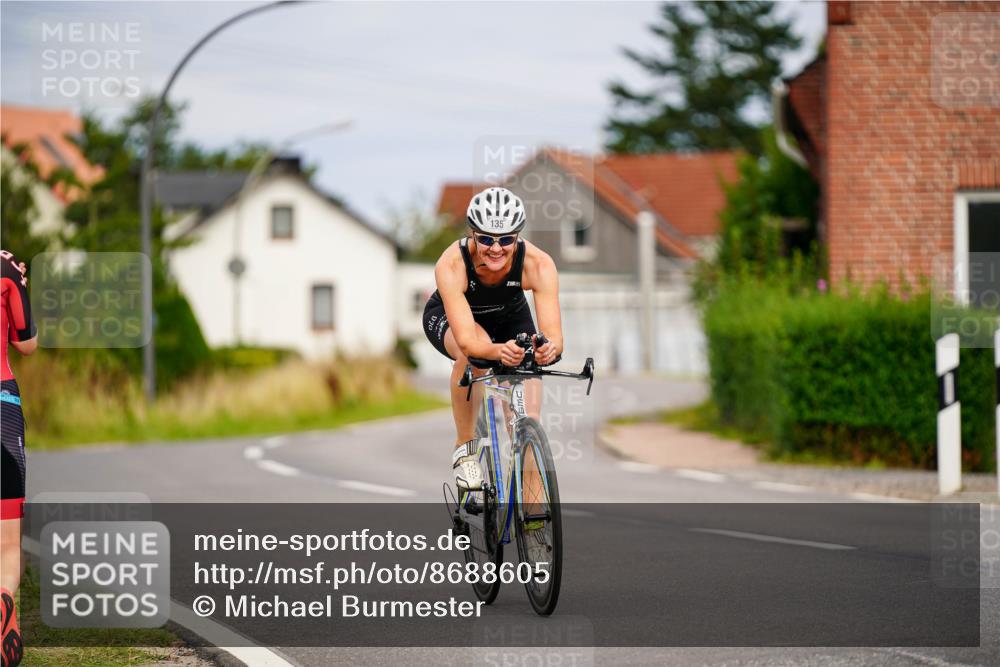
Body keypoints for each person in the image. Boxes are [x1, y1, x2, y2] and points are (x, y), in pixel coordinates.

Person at [422, 187, 563, 492]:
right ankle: (465, 449)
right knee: (474, 358)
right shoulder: (452, 264)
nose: (496, 248)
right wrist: (501, 352)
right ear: (473, 235)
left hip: (509, 315)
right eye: (486, 239)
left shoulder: (538, 264)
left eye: (506, 240)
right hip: (453, 318)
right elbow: (472, 344)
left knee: (529, 421)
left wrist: (546, 350)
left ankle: (534, 525)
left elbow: (554, 338)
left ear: (517, 237)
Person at [0, 249, 36, 667]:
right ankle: (4, 600)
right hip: (3, 407)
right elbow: (27, 345)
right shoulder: (7, 266)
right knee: (7, 541)